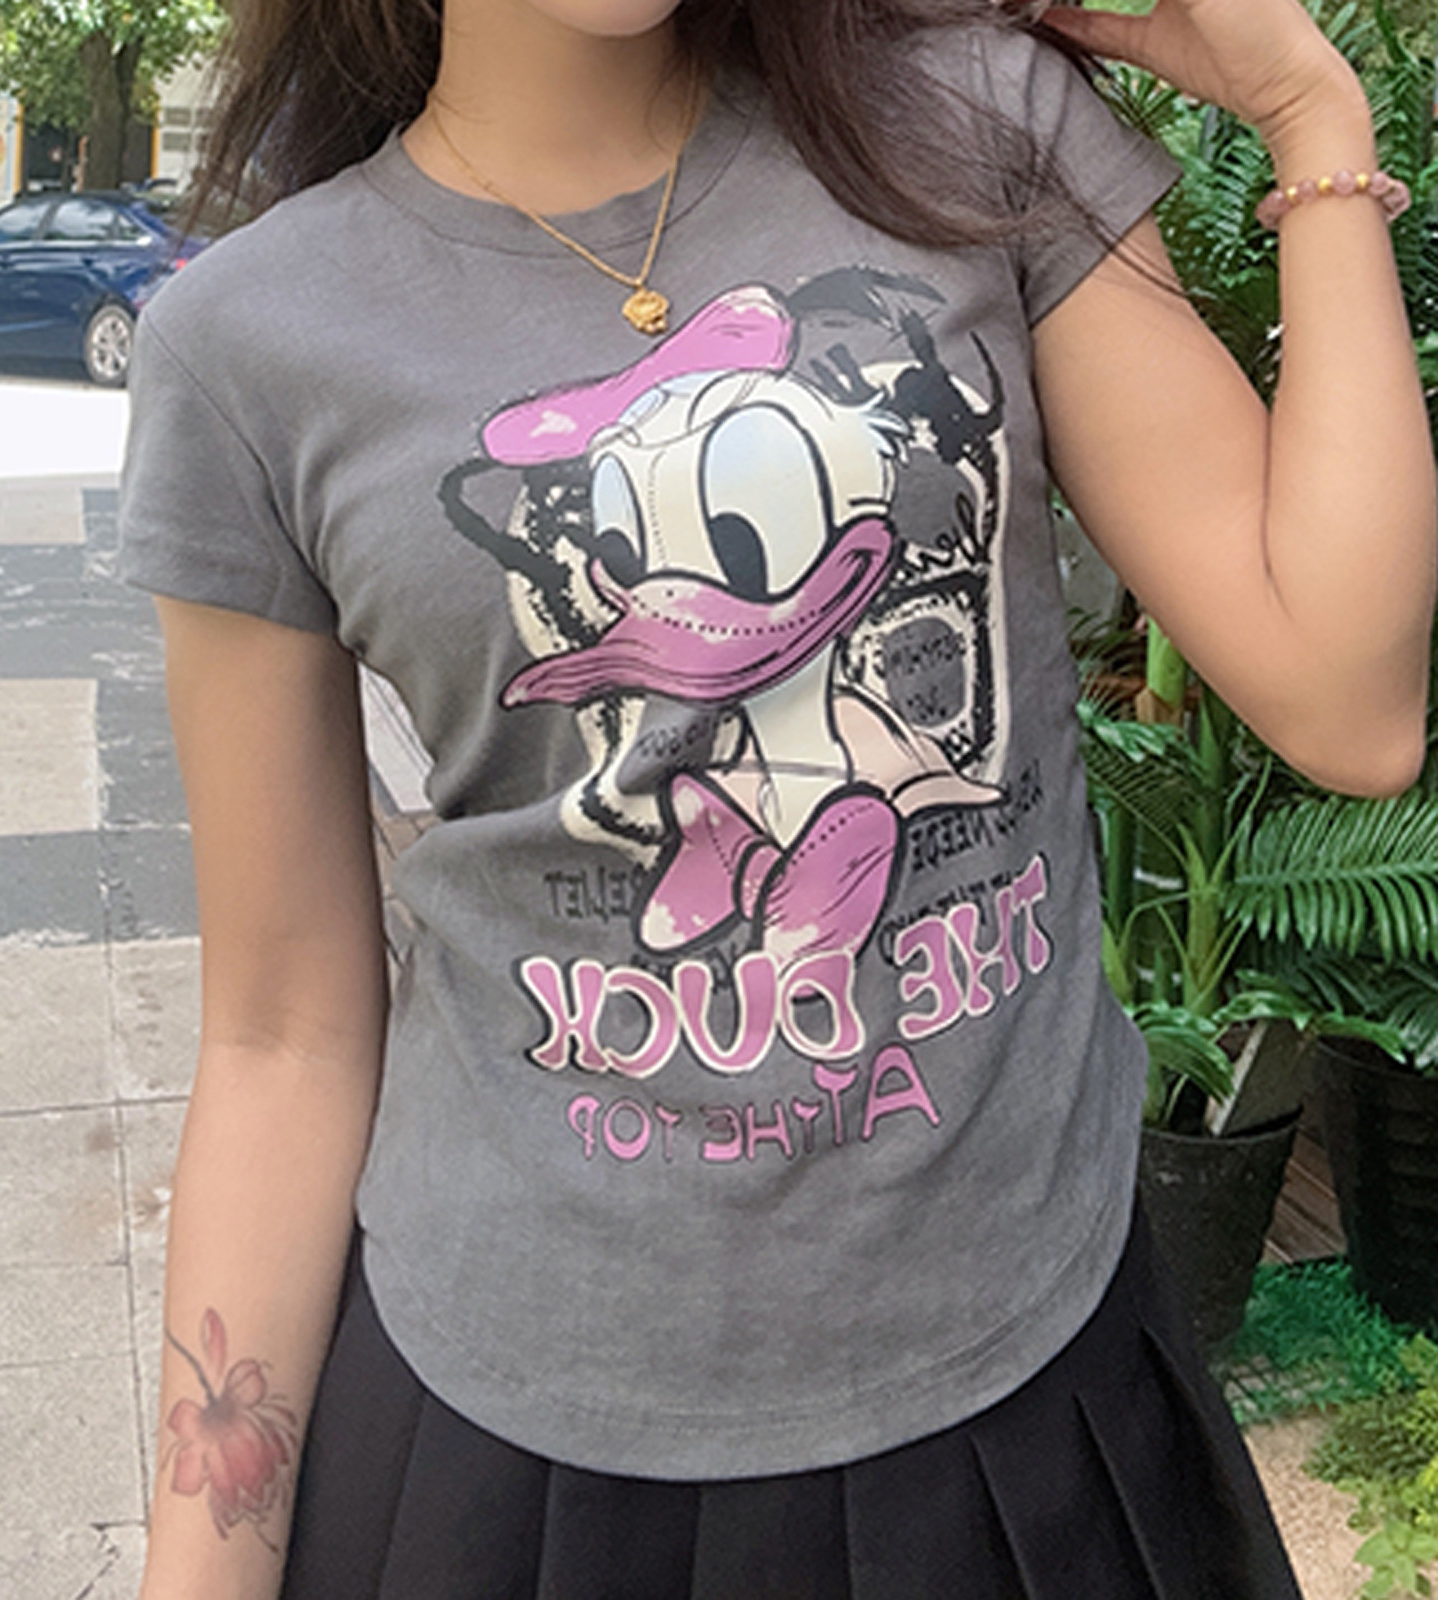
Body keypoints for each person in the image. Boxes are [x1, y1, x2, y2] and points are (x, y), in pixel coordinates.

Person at [119, 0, 1435, 1595]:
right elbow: (282, 1036)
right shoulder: (252, 342)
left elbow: (1347, 698)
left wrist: (1309, 115)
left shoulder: (964, 129)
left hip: (1037, 1398)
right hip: (511, 1450)